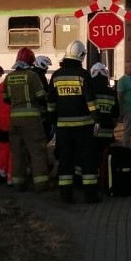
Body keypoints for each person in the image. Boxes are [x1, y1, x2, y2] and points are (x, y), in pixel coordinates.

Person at [47, 40, 100, 204]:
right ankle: (90, 196)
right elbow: (90, 100)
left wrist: (53, 121)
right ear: (82, 56)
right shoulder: (83, 75)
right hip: (83, 127)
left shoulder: (56, 75)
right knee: (87, 161)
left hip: (63, 128)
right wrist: (96, 119)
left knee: (65, 161)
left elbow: (50, 103)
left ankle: (65, 196)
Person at [2, 47, 50, 192]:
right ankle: (41, 184)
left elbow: (6, 98)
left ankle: (18, 183)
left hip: (14, 120)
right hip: (32, 120)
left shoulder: (9, 77)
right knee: (37, 151)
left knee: (17, 153)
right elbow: (41, 96)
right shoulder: (32, 76)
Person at [90, 62, 119, 157]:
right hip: (107, 133)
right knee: (104, 159)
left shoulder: (89, 92)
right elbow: (116, 113)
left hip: (91, 133)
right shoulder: (111, 93)